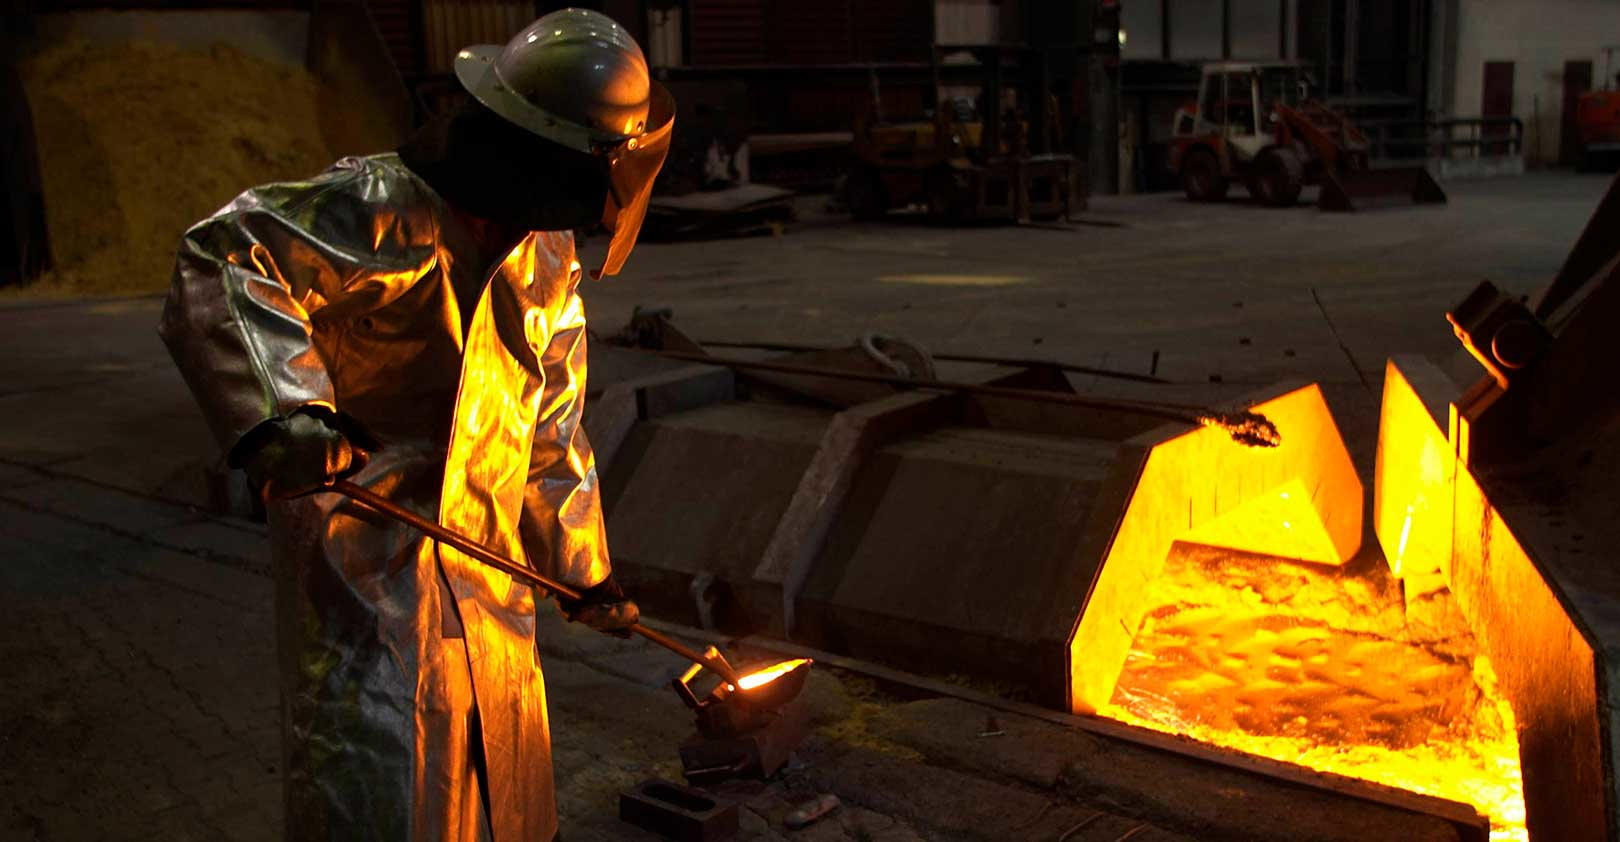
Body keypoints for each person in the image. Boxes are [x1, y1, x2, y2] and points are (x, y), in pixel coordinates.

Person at [158, 9, 671, 840]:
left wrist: (584, 573)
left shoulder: (547, 261)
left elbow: (547, 433)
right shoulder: (379, 209)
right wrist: (289, 414)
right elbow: (223, 255)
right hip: (369, 570)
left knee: (500, 792)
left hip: (491, 580)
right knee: (384, 784)